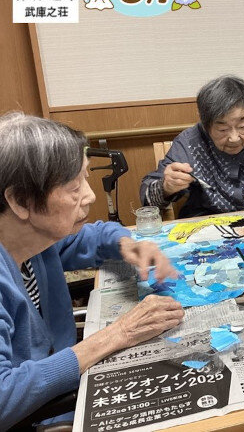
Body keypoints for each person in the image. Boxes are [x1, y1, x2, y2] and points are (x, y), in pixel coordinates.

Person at [0, 113, 185, 428]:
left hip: (70, 390)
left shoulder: (34, 240)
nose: (90, 196)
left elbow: (93, 236)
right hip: (45, 416)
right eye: (74, 187)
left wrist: (126, 244)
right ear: (20, 200)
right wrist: (118, 334)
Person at [140, 75, 244, 218]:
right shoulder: (189, 143)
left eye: (242, 126)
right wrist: (166, 187)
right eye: (223, 129)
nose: (234, 138)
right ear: (205, 125)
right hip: (205, 228)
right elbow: (147, 197)